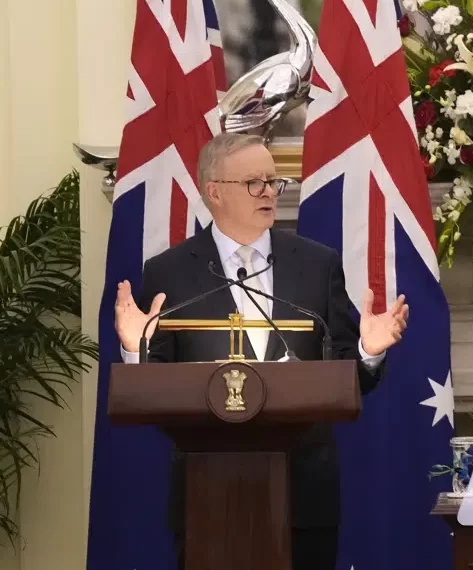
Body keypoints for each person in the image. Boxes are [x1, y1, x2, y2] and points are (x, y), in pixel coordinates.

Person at [112, 132, 408, 569]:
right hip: (206, 497)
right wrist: (135, 352)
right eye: (255, 183)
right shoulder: (169, 273)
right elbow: (156, 392)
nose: (269, 192)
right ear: (214, 192)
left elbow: (346, 378)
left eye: (274, 181)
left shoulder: (317, 263)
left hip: (304, 496)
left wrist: (367, 350)